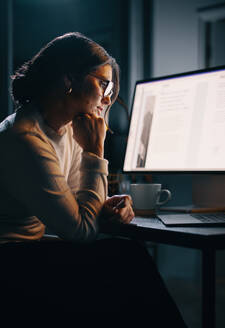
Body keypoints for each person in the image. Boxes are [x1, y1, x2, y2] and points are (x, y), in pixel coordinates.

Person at [0, 32, 187, 326]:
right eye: (103, 83)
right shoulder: (25, 138)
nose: (109, 96)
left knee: (124, 260)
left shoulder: (65, 129)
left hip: (29, 250)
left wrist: (107, 207)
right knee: (124, 260)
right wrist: (95, 151)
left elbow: (79, 206)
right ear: (67, 80)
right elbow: (80, 231)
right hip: (9, 262)